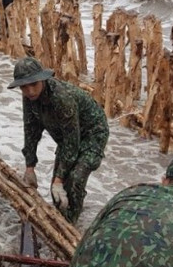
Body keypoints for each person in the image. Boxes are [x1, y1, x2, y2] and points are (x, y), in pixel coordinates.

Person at [8, 57, 108, 223]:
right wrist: (30, 166)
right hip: (67, 136)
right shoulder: (29, 98)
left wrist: (59, 180)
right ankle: (64, 215)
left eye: (34, 84)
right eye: (24, 87)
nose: (30, 91)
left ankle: (71, 225)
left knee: (74, 178)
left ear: (42, 79)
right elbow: (31, 130)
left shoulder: (62, 98)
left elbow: (72, 142)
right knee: (57, 193)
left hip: (92, 133)